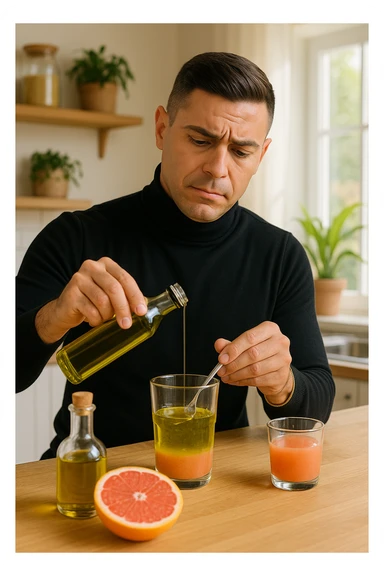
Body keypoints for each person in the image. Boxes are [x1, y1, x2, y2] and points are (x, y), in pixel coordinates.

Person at [16, 51, 335, 459]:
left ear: (262, 155)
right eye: (201, 140)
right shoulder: (75, 236)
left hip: (217, 484)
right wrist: (53, 318)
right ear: (162, 128)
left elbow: (318, 403)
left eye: (241, 152)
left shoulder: (280, 254)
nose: (218, 168)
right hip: (90, 476)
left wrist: (283, 383)